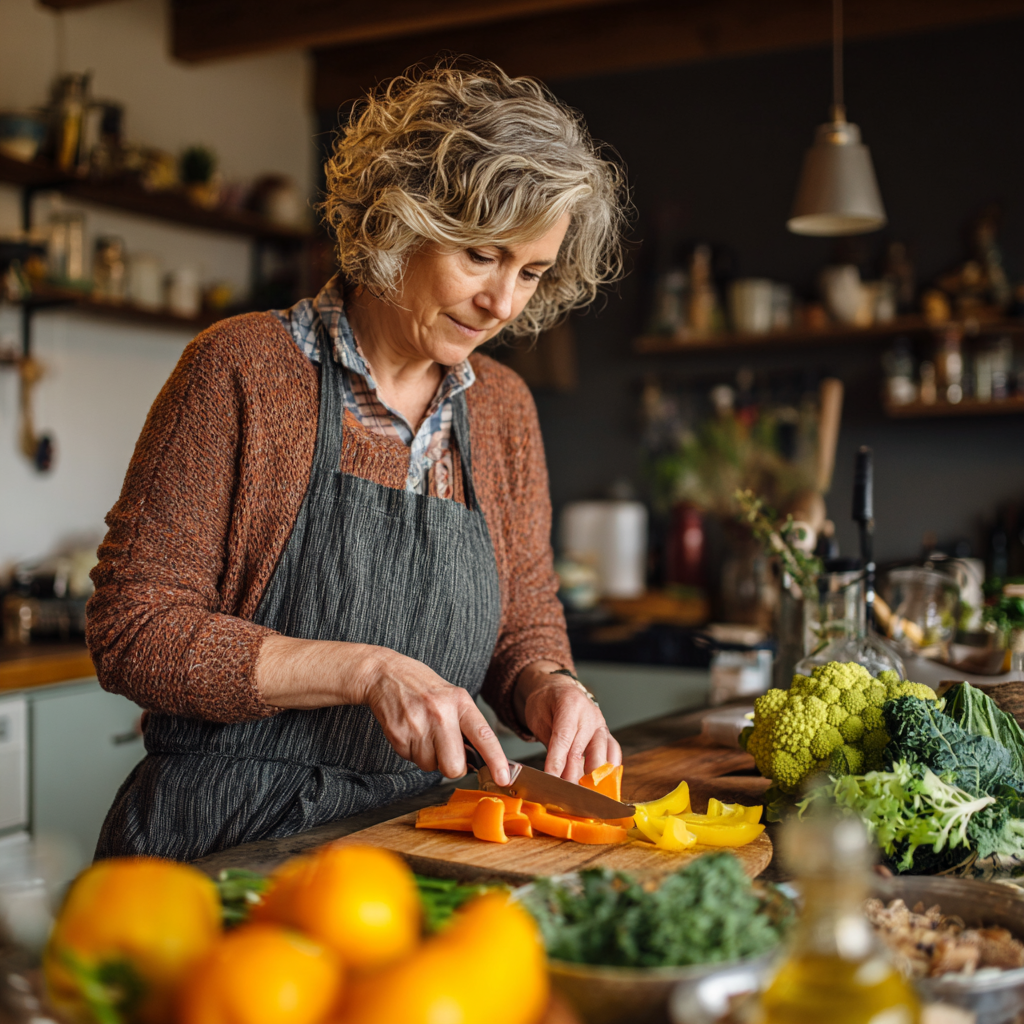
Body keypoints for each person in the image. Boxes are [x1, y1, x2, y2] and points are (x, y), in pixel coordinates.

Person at [86, 61, 629, 861]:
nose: (504, 303)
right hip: (225, 840)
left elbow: (524, 621)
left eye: (532, 272)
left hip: (420, 840)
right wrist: (364, 671)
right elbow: (133, 632)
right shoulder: (243, 370)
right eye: (480, 256)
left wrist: (551, 686)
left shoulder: (503, 408)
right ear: (398, 224)